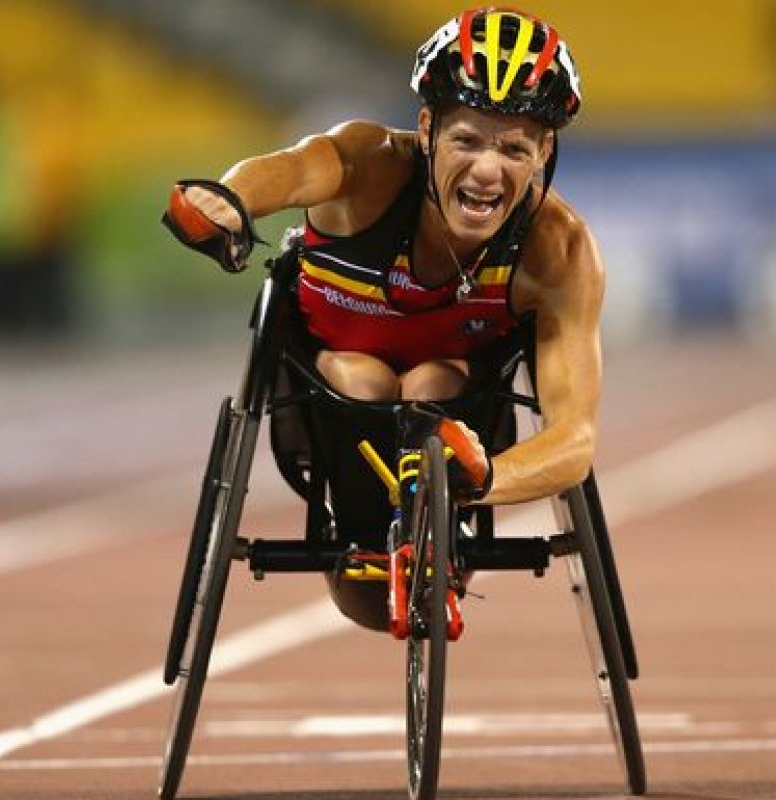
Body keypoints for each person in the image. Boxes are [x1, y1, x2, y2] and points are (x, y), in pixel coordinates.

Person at [166, 6, 602, 513]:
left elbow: (575, 440)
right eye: (466, 140)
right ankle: (360, 533)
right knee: (362, 378)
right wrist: (230, 199)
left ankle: (432, 544)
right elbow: (292, 170)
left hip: (457, 407)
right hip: (330, 389)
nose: (487, 171)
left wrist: (483, 477)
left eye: (513, 149)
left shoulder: (558, 249)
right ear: (426, 129)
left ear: (545, 151)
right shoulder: (369, 164)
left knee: (431, 382)